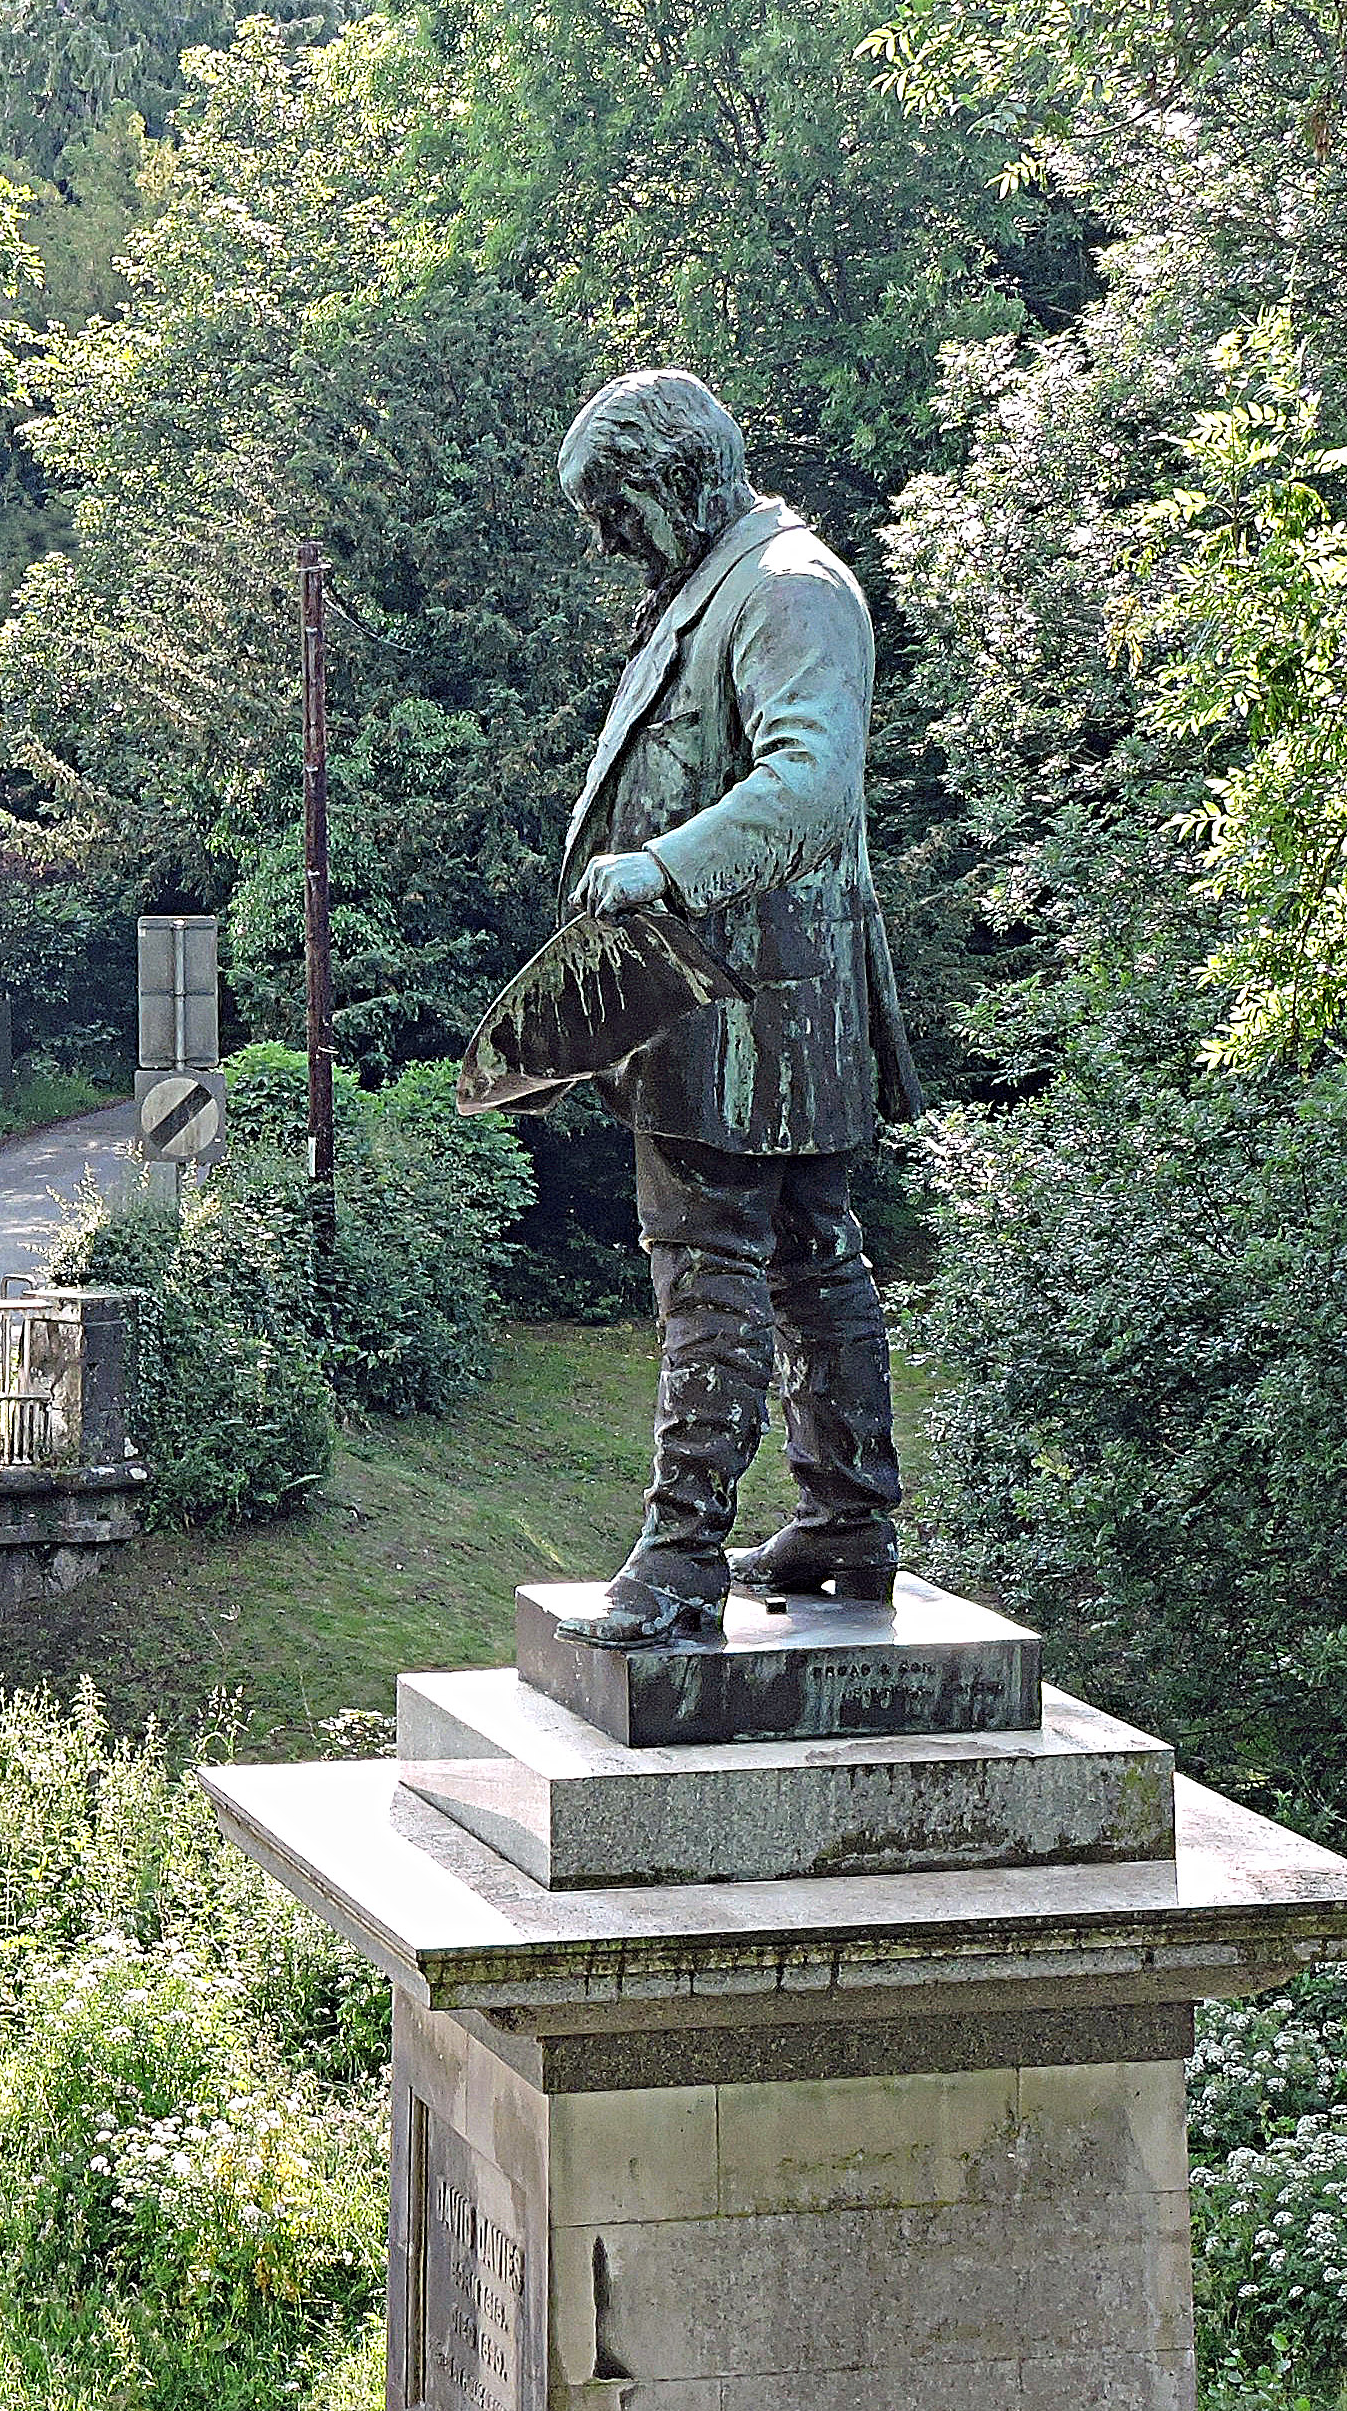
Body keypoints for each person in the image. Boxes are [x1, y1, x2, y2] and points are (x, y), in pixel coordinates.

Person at [536, 368, 923, 1650]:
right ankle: (844, 1516)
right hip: (738, 995)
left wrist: (659, 869)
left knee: (710, 1261)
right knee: (814, 1254)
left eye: (612, 509)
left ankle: (676, 1564)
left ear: (675, 479)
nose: (603, 540)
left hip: (747, 1001)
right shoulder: (717, 587)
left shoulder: (788, 590)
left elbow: (812, 787)